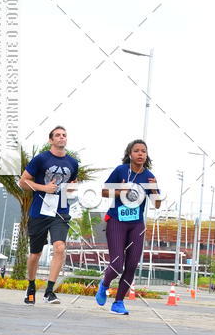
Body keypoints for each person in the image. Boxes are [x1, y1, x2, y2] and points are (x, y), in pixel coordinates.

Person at [95, 139, 160, 315]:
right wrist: (121, 191)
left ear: (147, 155)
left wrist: (153, 189)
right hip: (117, 221)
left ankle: (118, 302)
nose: (140, 154)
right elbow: (104, 191)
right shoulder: (121, 170)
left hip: (137, 225)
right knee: (117, 264)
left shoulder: (149, 176)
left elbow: (157, 204)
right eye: (137, 151)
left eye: (143, 151)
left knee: (131, 265)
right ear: (130, 154)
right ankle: (105, 284)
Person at [18, 125, 79, 305]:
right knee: (35, 254)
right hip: (39, 211)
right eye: (58, 135)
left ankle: (49, 292)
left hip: (60, 212)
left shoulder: (73, 163)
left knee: (59, 247)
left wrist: (72, 188)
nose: (62, 137)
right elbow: (23, 182)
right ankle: (31, 286)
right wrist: (44, 188)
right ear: (51, 140)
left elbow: (72, 182)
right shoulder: (41, 159)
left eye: (64, 135)